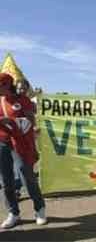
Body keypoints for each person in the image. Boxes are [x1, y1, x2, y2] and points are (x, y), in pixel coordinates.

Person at [0, 73, 47, 229]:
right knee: (6, 181)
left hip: (19, 143)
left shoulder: (23, 100)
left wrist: (12, 122)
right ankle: (13, 212)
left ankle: (39, 209)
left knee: (27, 176)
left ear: (7, 85)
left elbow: (30, 121)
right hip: (2, 143)